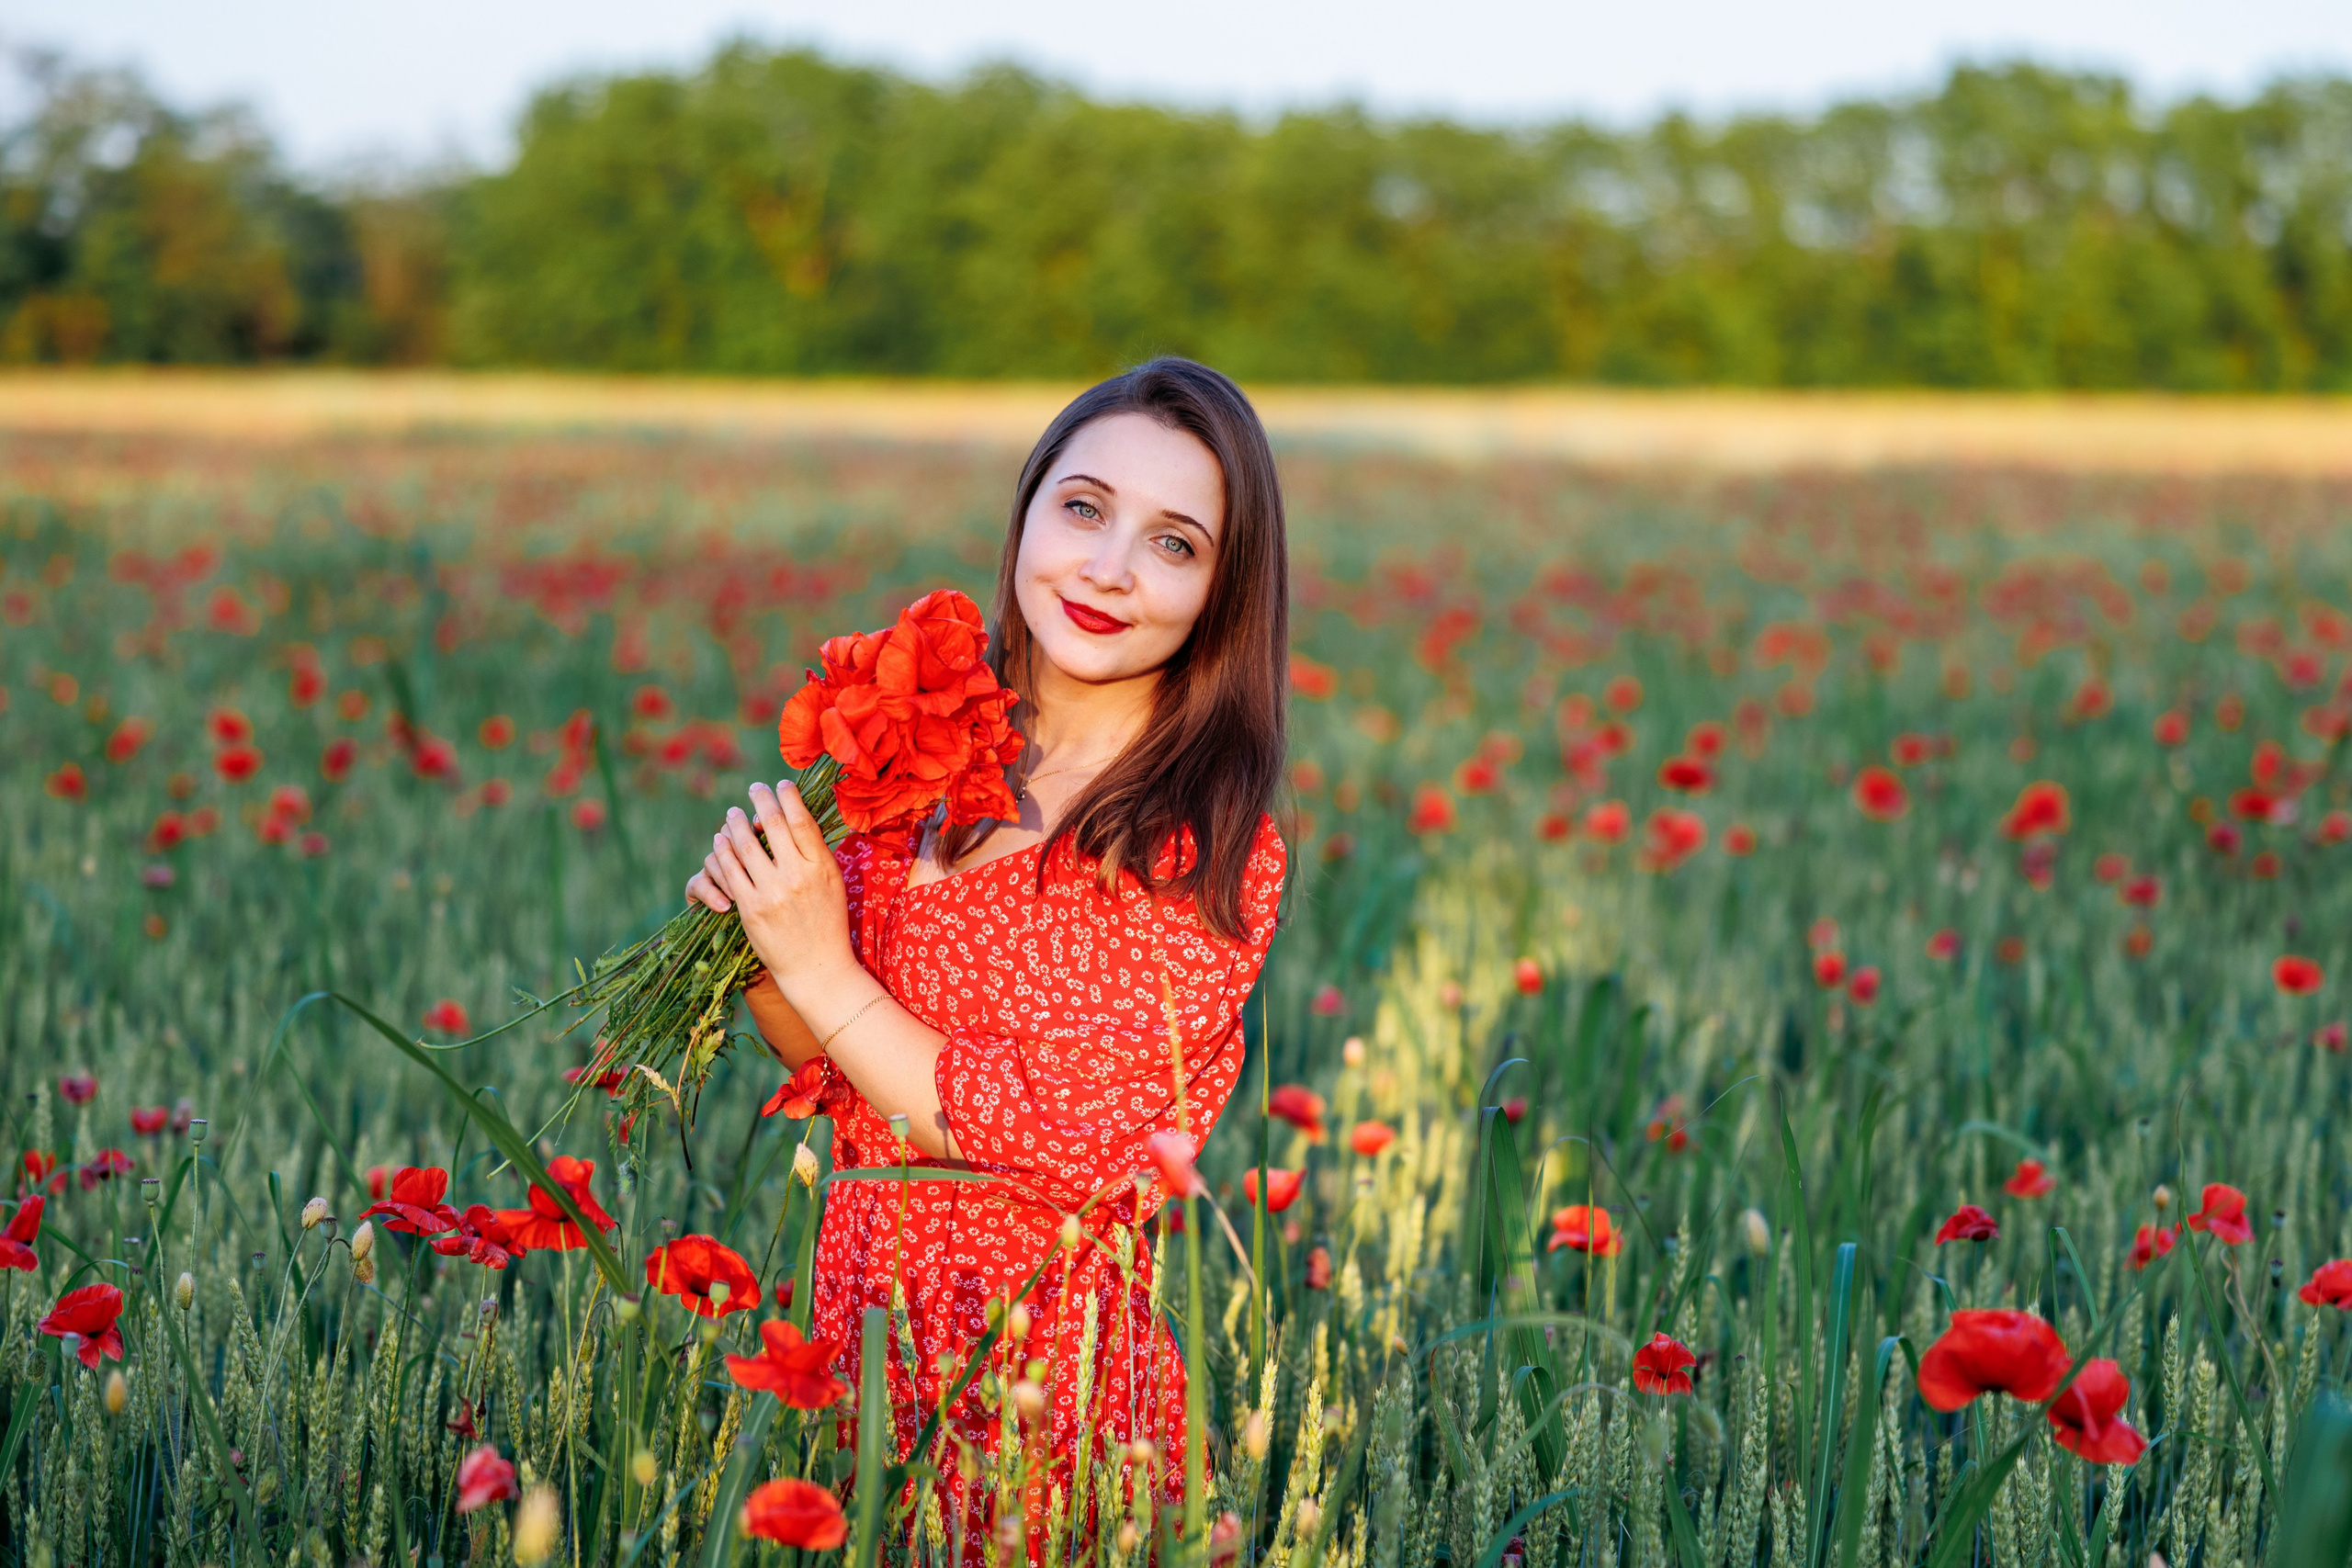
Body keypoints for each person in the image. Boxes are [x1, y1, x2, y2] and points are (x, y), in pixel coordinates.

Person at [684, 357, 1289, 1555]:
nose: (1109, 567)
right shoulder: (925, 759)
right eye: (1084, 508)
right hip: (863, 1338)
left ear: (1223, 594)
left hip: (1042, 1385)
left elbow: (1040, 1128)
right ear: (1026, 514)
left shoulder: (1199, 844)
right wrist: (762, 938)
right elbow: (832, 1069)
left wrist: (819, 966)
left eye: (1174, 543)